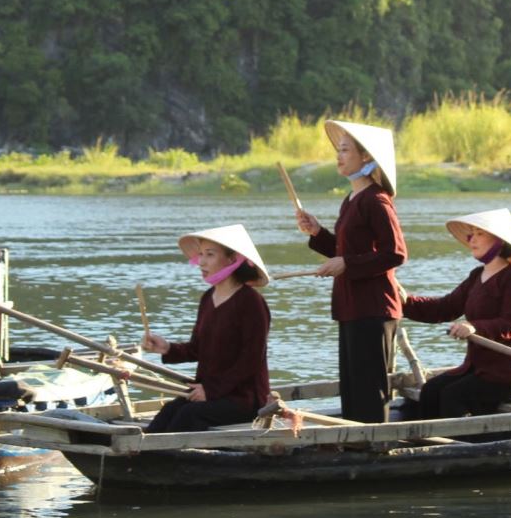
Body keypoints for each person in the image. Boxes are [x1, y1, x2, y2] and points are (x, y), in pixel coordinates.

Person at [294, 119, 407, 423]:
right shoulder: (351, 199)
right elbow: (346, 253)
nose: (339, 156)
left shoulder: (376, 199)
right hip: (351, 306)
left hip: (374, 306)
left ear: (366, 156)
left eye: (345, 150)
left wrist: (347, 263)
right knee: (353, 386)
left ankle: (375, 448)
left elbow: (395, 253)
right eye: (338, 150)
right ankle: (355, 444)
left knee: (370, 388)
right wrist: (318, 233)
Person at [401, 209, 511, 419]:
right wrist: (404, 300)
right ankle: (428, 442)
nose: (471, 239)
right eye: (471, 234)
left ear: (499, 240)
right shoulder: (476, 276)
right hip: (478, 368)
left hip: (509, 371)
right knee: (431, 390)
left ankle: (458, 446)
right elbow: (443, 308)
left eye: (479, 234)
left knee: (453, 395)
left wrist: (475, 327)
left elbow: (510, 324)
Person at [141, 223, 272, 433]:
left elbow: (252, 358)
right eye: (200, 254)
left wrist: (211, 390)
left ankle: (164, 459)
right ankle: (140, 455)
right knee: (170, 410)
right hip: (211, 394)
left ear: (233, 259)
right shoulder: (207, 298)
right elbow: (197, 349)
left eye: (210, 255)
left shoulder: (251, 302)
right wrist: (166, 348)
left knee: (188, 415)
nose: (201, 262)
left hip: (244, 399)